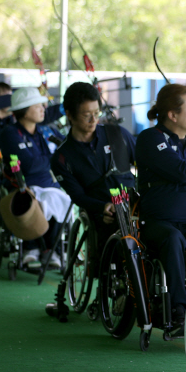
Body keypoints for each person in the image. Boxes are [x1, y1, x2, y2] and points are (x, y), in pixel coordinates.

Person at [136, 83, 186, 333]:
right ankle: (178, 312)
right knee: (172, 239)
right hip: (159, 224)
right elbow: (182, 172)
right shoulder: (151, 138)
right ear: (173, 115)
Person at [51, 82, 136, 259]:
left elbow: (144, 164)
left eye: (97, 113)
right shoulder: (62, 157)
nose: (93, 120)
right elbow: (78, 196)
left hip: (134, 205)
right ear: (69, 115)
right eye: (86, 115)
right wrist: (102, 207)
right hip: (103, 214)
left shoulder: (118, 133)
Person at [0, 87, 70, 268]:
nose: (43, 109)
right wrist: (54, 159)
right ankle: (36, 248)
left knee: (59, 197)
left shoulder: (46, 131)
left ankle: (51, 250)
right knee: (50, 198)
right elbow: (28, 166)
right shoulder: (10, 133)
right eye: (37, 105)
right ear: (24, 110)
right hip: (23, 186)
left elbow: (68, 150)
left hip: (49, 184)